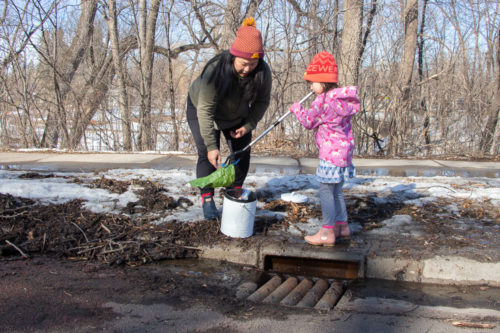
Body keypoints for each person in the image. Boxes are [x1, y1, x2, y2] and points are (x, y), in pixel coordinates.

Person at [186, 17, 272, 220]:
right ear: (234, 56)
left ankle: (234, 194)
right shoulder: (215, 71)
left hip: (237, 116)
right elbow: (206, 110)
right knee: (206, 154)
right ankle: (207, 199)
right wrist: (211, 146)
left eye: (253, 63)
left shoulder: (263, 72)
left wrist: (248, 125)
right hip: (202, 110)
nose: (247, 69)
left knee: (241, 153)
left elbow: (262, 102)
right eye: (243, 64)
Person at [289, 51, 360, 246]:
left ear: (323, 81)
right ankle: (342, 225)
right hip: (344, 152)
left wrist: (297, 109)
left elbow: (309, 122)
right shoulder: (340, 99)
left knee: (326, 191)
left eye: (313, 82)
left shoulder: (323, 101)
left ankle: (327, 232)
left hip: (330, 153)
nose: (311, 87)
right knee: (337, 191)